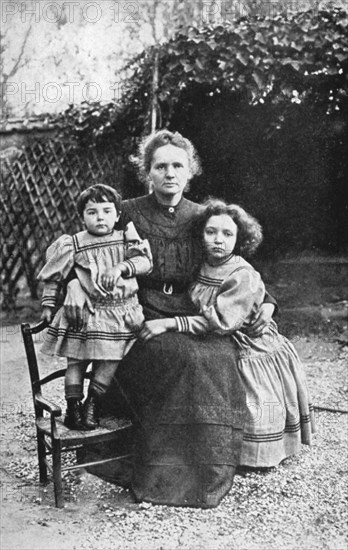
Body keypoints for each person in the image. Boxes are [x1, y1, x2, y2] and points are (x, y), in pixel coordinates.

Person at [63, 130, 277, 507]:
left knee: (217, 356)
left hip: (194, 313)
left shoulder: (202, 217)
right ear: (148, 172)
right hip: (136, 313)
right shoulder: (125, 211)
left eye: (178, 165)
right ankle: (163, 471)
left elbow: (234, 267)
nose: (169, 173)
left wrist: (269, 303)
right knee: (178, 357)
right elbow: (84, 247)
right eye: (160, 165)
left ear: (190, 170)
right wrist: (74, 286)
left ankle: (209, 464)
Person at [141, 199, 315, 467]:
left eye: (227, 234)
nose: (218, 240)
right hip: (220, 333)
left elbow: (221, 321)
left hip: (249, 340)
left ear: (240, 238)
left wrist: (170, 323)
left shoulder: (241, 273)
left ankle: (256, 455)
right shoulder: (201, 264)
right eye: (211, 232)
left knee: (253, 400)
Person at [38, 184, 152, 431]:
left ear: (117, 215)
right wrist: (48, 304)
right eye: (92, 212)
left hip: (119, 313)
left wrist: (122, 268)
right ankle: (73, 408)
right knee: (76, 363)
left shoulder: (125, 238)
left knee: (110, 361)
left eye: (107, 211)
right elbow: (53, 276)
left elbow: (144, 262)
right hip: (85, 313)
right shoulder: (74, 243)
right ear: (82, 217)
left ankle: (93, 404)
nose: (100, 217)